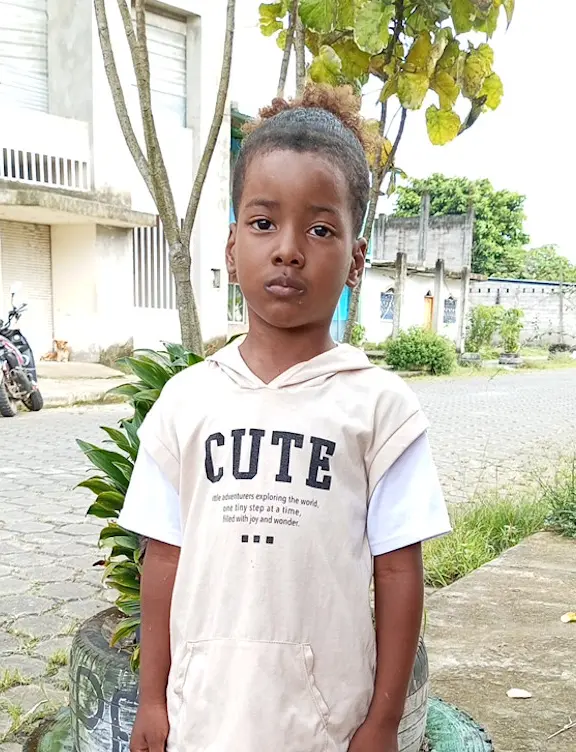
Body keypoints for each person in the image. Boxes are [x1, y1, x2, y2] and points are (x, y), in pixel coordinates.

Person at [119, 85, 451, 752]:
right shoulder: (185, 402)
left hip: (325, 728)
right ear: (231, 245)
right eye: (264, 223)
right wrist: (152, 699)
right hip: (202, 718)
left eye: (321, 229)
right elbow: (163, 558)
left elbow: (398, 571)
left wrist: (382, 723)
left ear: (356, 260)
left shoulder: (380, 409)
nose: (289, 250)